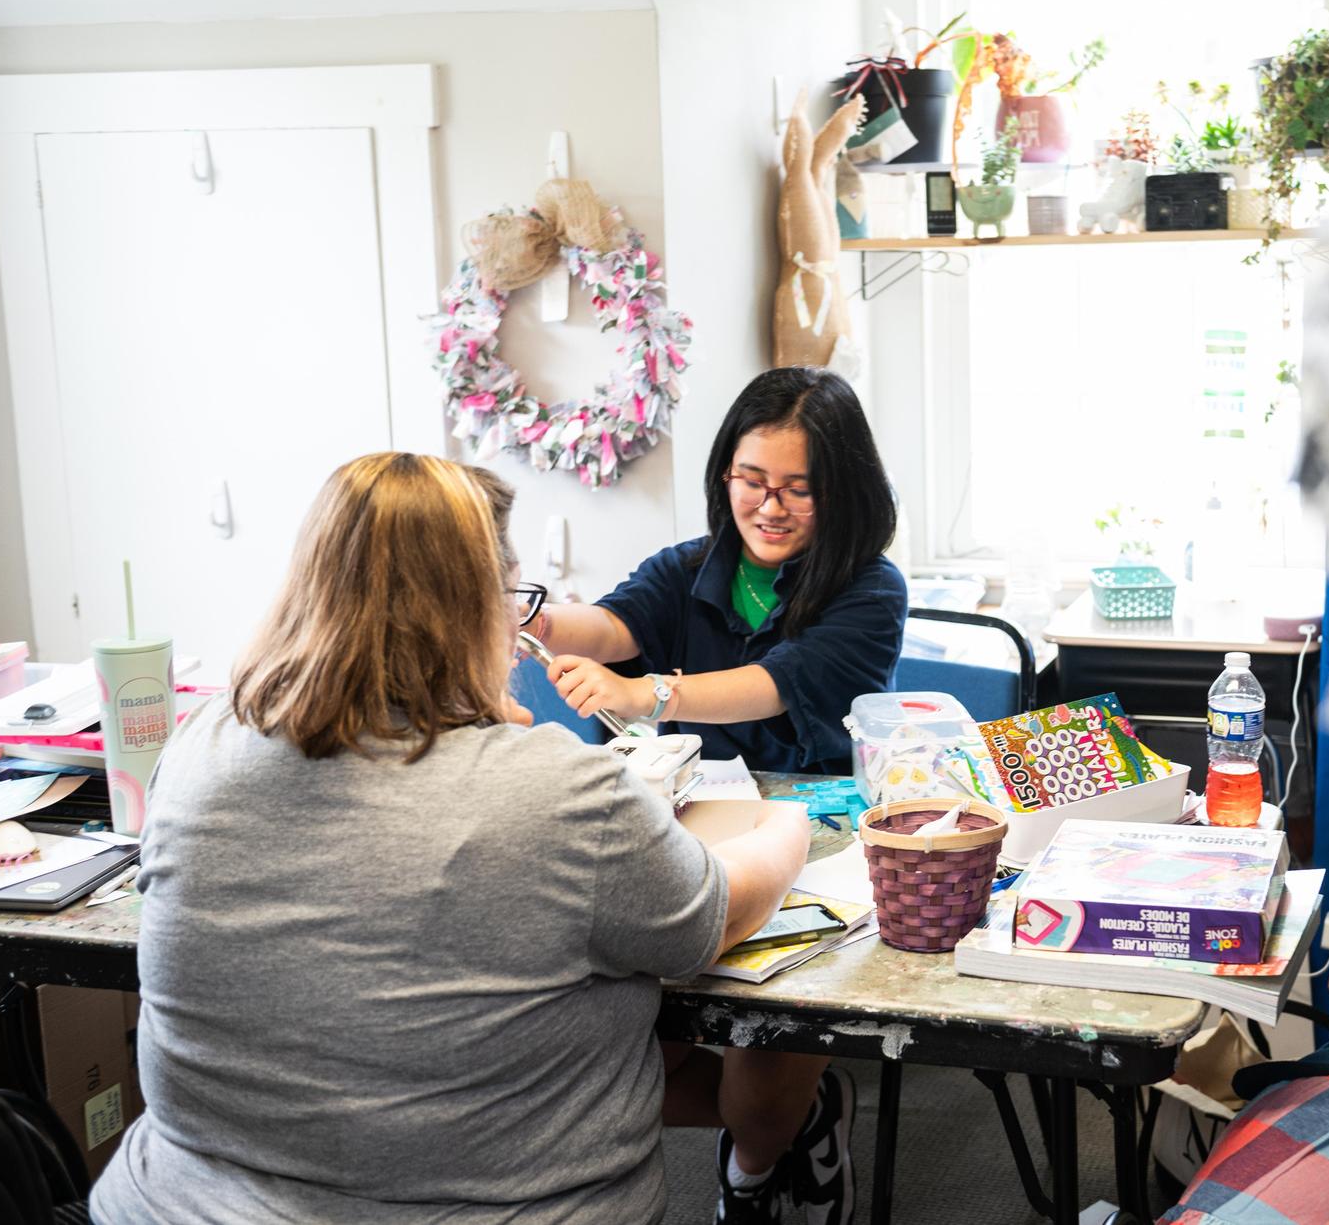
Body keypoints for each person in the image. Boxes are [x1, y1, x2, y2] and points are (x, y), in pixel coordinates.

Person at [90, 453, 812, 1225]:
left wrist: (462, 724)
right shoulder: (564, 790)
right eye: (511, 596)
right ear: (479, 607)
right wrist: (788, 823)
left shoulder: (199, 746)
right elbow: (718, 912)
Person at [529, 366, 905, 1224]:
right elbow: (614, 623)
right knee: (612, 1053)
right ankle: (787, 1122)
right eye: (750, 480)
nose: (768, 507)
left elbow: (775, 684)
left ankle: (760, 1152)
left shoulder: (872, 590)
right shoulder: (692, 565)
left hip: (814, 854)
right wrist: (539, 619)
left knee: (762, 1054)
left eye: (798, 489)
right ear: (723, 476)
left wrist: (647, 694)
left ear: (842, 491)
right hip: (686, 836)